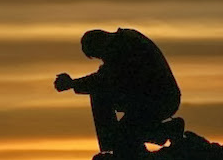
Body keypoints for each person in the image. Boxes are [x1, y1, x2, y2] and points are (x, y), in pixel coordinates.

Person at [54, 28, 183, 158]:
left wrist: (72, 84)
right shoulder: (123, 42)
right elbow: (106, 77)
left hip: (158, 100)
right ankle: (162, 132)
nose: (102, 58)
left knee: (121, 131)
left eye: (99, 54)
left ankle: (162, 132)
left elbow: (104, 79)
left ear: (100, 43)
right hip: (147, 98)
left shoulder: (124, 45)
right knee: (122, 133)